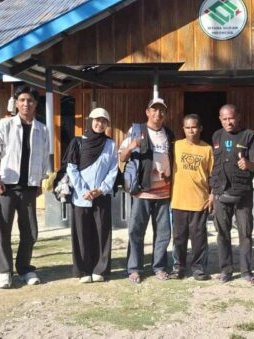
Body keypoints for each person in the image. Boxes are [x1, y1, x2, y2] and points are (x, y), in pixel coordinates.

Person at [0, 85, 51, 289]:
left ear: (36, 104)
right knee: (2, 230)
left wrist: (41, 180)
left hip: (29, 186)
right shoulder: (5, 125)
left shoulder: (42, 129)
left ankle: (24, 268)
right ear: (16, 103)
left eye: (30, 101)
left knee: (30, 231)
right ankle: (4, 272)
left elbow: (44, 157)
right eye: (22, 100)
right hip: (5, 186)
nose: (26, 104)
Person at [119, 97, 174, 284]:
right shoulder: (137, 131)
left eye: (162, 110)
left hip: (164, 192)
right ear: (147, 112)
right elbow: (122, 157)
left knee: (164, 232)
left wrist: (168, 174)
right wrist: (132, 146)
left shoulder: (169, 133)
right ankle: (134, 269)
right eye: (154, 110)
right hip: (142, 191)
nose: (158, 113)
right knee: (136, 231)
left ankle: (159, 267)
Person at [65, 108, 119, 283]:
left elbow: (113, 169)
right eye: (97, 120)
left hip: (101, 196)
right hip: (81, 197)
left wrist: (101, 189)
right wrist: (83, 191)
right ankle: (83, 270)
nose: (100, 124)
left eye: (104, 121)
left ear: (107, 124)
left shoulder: (110, 145)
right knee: (82, 233)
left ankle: (100, 269)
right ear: (90, 120)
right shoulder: (78, 142)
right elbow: (71, 168)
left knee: (102, 232)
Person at [210, 104, 254, 285]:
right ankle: (226, 270)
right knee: (222, 234)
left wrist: (248, 164)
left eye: (231, 118)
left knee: (245, 234)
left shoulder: (249, 136)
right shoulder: (216, 136)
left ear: (238, 117)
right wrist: (212, 192)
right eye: (224, 119)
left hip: (243, 195)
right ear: (220, 119)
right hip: (221, 194)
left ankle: (246, 271)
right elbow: (214, 165)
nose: (228, 122)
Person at [170, 114, 214, 281]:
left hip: (200, 202)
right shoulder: (176, 147)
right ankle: (178, 268)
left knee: (199, 239)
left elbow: (213, 176)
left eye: (194, 127)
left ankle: (199, 269)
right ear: (183, 129)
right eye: (187, 128)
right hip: (179, 200)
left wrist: (212, 195)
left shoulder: (207, 149)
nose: (191, 131)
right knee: (179, 237)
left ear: (200, 128)